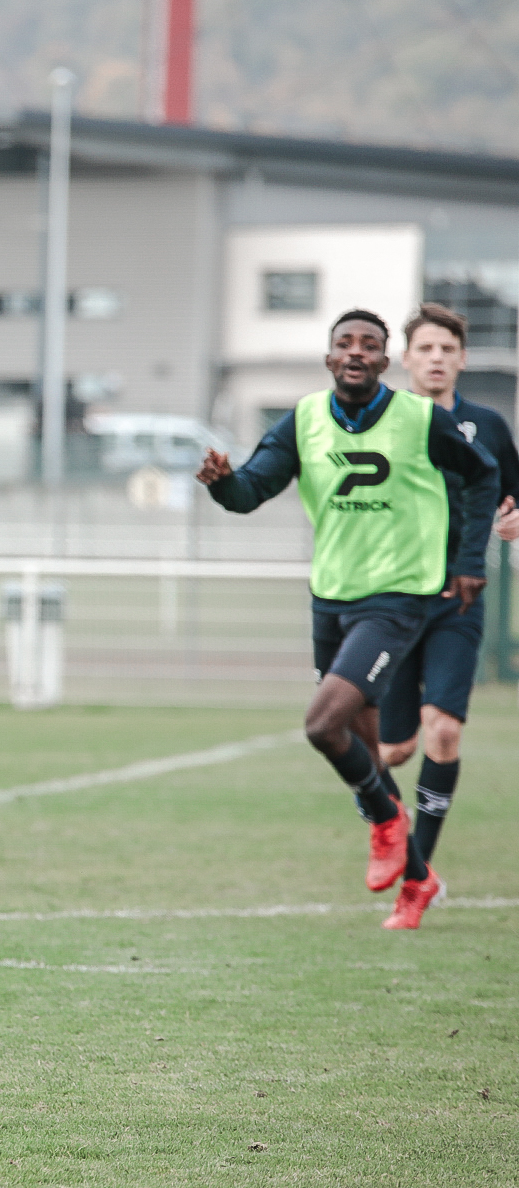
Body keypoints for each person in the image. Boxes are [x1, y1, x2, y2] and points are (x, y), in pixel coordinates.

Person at [196, 308, 498, 929]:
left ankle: (387, 823)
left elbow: (483, 473)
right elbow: (252, 489)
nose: (356, 351)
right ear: (330, 357)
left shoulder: (419, 418)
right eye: (344, 343)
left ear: (385, 362)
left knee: (320, 726)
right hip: (330, 600)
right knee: (369, 749)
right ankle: (418, 879)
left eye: (369, 344)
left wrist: (470, 560)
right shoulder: (305, 419)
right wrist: (222, 484)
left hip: (398, 601)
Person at [375, 304, 519, 910]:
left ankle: (417, 877)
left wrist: (512, 517)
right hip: (389, 601)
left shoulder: (486, 426)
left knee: (444, 732)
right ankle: (393, 834)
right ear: (405, 359)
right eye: (425, 349)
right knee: (389, 751)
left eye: (447, 350)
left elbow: (511, 495)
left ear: (462, 359)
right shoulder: (378, 420)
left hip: (457, 601)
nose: (436, 359)